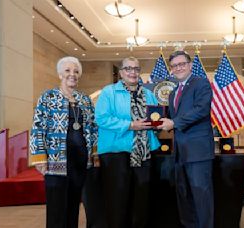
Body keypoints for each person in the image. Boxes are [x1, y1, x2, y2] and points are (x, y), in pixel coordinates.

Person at [29, 56, 98, 228]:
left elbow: (93, 128)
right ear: (60, 74)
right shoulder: (48, 97)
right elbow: (38, 128)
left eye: (76, 71)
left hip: (80, 160)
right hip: (55, 160)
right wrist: (39, 157)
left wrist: (94, 154)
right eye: (67, 70)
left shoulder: (85, 100)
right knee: (56, 206)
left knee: (74, 204)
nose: (72, 74)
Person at [95, 57, 161, 228]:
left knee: (142, 200)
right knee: (117, 200)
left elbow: (155, 120)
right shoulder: (109, 92)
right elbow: (101, 118)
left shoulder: (149, 94)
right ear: (121, 72)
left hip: (144, 152)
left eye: (136, 69)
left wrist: (159, 124)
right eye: (128, 69)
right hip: (116, 154)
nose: (133, 72)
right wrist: (131, 125)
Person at [158, 51, 214, 228]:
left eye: (182, 64)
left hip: (198, 152)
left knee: (201, 196)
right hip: (180, 152)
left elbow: (201, 110)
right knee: (184, 196)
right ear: (171, 70)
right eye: (174, 65)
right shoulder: (173, 92)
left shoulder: (201, 83)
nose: (179, 68)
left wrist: (173, 122)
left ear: (190, 65)